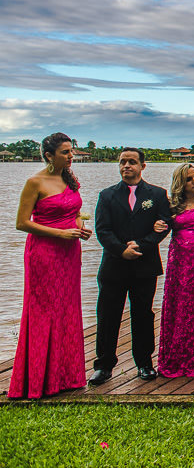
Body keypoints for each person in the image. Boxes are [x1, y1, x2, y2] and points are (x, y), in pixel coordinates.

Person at [8, 133, 90, 399]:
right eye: (65, 152)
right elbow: (22, 223)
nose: (71, 157)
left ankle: (67, 376)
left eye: (71, 152)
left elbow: (75, 213)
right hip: (43, 253)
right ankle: (38, 380)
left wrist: (79, 227)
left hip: (69, 253)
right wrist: (60, 234)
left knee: (67, 310)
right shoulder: (35, 182)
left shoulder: (70, 179)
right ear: (49, 156)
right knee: (44, 311)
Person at [90, 147, 172, 384]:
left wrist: (142, 246)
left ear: (142, 166)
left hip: (145, 265)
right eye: (123, 162)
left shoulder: (157, 195)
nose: (127, 166)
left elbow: (164, 225)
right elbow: (102, 230)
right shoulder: (107, 196)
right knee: (107, 315)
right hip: (113, 265)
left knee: (143, 315)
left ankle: (144, 363)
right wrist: (121, 250)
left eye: (132, 162)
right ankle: (103, 365)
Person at [156, 164, 194, 378]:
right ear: (181, 183)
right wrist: (157, 226)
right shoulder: (172, 205)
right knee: (180, 304)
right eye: (190, 179)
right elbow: (160, 224)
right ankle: (178, 356)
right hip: (180, 262)